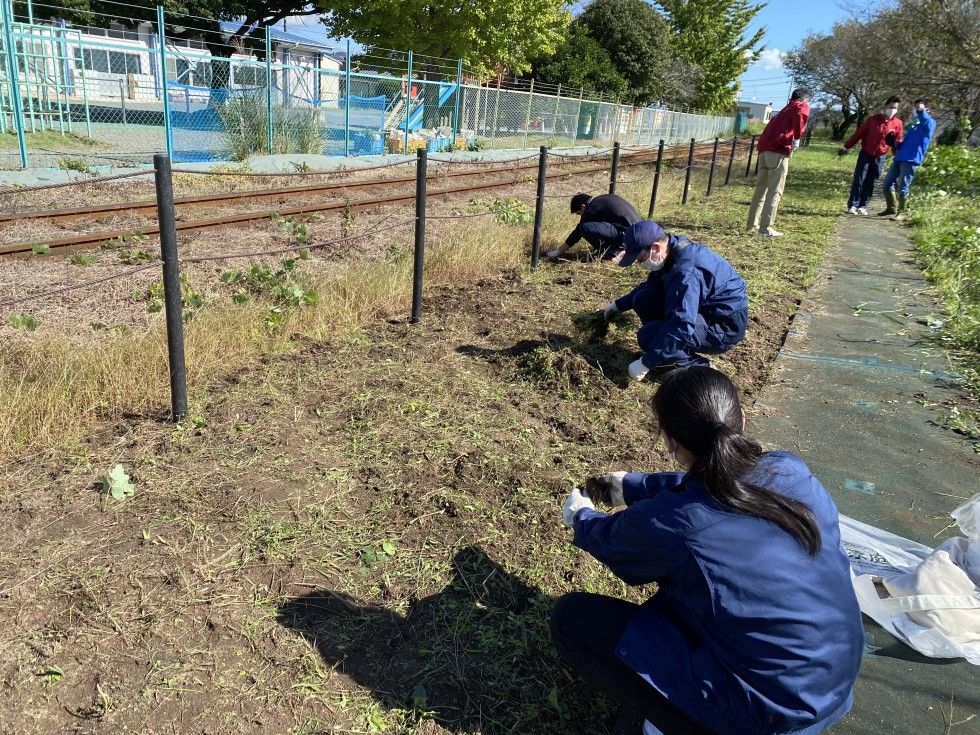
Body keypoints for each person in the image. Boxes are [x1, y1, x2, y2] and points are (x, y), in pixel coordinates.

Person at [553, 366, 864, 735]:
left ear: (668, 441)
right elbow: (718, 483)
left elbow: (615, 538)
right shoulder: (789, 469)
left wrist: (581, 516)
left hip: (768, 716)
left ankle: (681, 722)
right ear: (742, 419)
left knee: (572, 620)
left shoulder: (676, 523)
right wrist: (632, 487)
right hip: (831, 686)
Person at [601, 221, 747, 381]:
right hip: (703, 311)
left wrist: (646, 363)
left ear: (655, 247)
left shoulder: (686, 272)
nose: (640, 263)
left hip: (723, 326)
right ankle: (667, 349)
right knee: (642, 299)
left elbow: (681, 324)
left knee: (647, 336)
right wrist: (618, 305)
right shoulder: (671, 250)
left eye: (640, 258)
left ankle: (703, 369)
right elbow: (651, 285)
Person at [747, 89, 810, 237]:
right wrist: (797, 137)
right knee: (775, 190)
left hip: (764, 149)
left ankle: (752, 224)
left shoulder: (785, 109)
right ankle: (766, 227)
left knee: (760, 188)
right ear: (805, 99)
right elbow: (801, 116)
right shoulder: (800, 106)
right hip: (778, 151)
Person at [838, 96, 904, 215]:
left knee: (871, 181)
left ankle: (863, 205)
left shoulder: (898, 123)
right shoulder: (873, 120)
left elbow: (897, 142)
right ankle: (853, 204)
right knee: (859, 179)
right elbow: (859, 134)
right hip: (866, 153)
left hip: (880, 155)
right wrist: (847, 146)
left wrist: (897, 156)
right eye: (891, 107)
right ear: (886, 106)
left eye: (895, 108)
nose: (893, 110)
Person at [879, 99, 936, 220]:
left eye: (918, 108)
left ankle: (902, 212)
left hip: (912, 159)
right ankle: (891, 208)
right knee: (887, 184)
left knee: (903, 186)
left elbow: (925, 119)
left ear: (927, 110)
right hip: (900, 157)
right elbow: (906, 143)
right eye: (915, 108)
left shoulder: (930, 123)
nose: (915, 110)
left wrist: (921, 110)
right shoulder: (915, 124)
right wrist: (894, 143)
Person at [546, 192, 641, 261]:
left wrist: (559, 251)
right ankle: (614, 249)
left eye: (579, 214)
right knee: (591, 227)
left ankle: (611, 252)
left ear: (583, 206)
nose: (581, 216)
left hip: (627, 235)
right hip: (636, 232)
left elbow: (577, 232)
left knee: (584, 228)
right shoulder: (603, 199)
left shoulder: (591, 207)